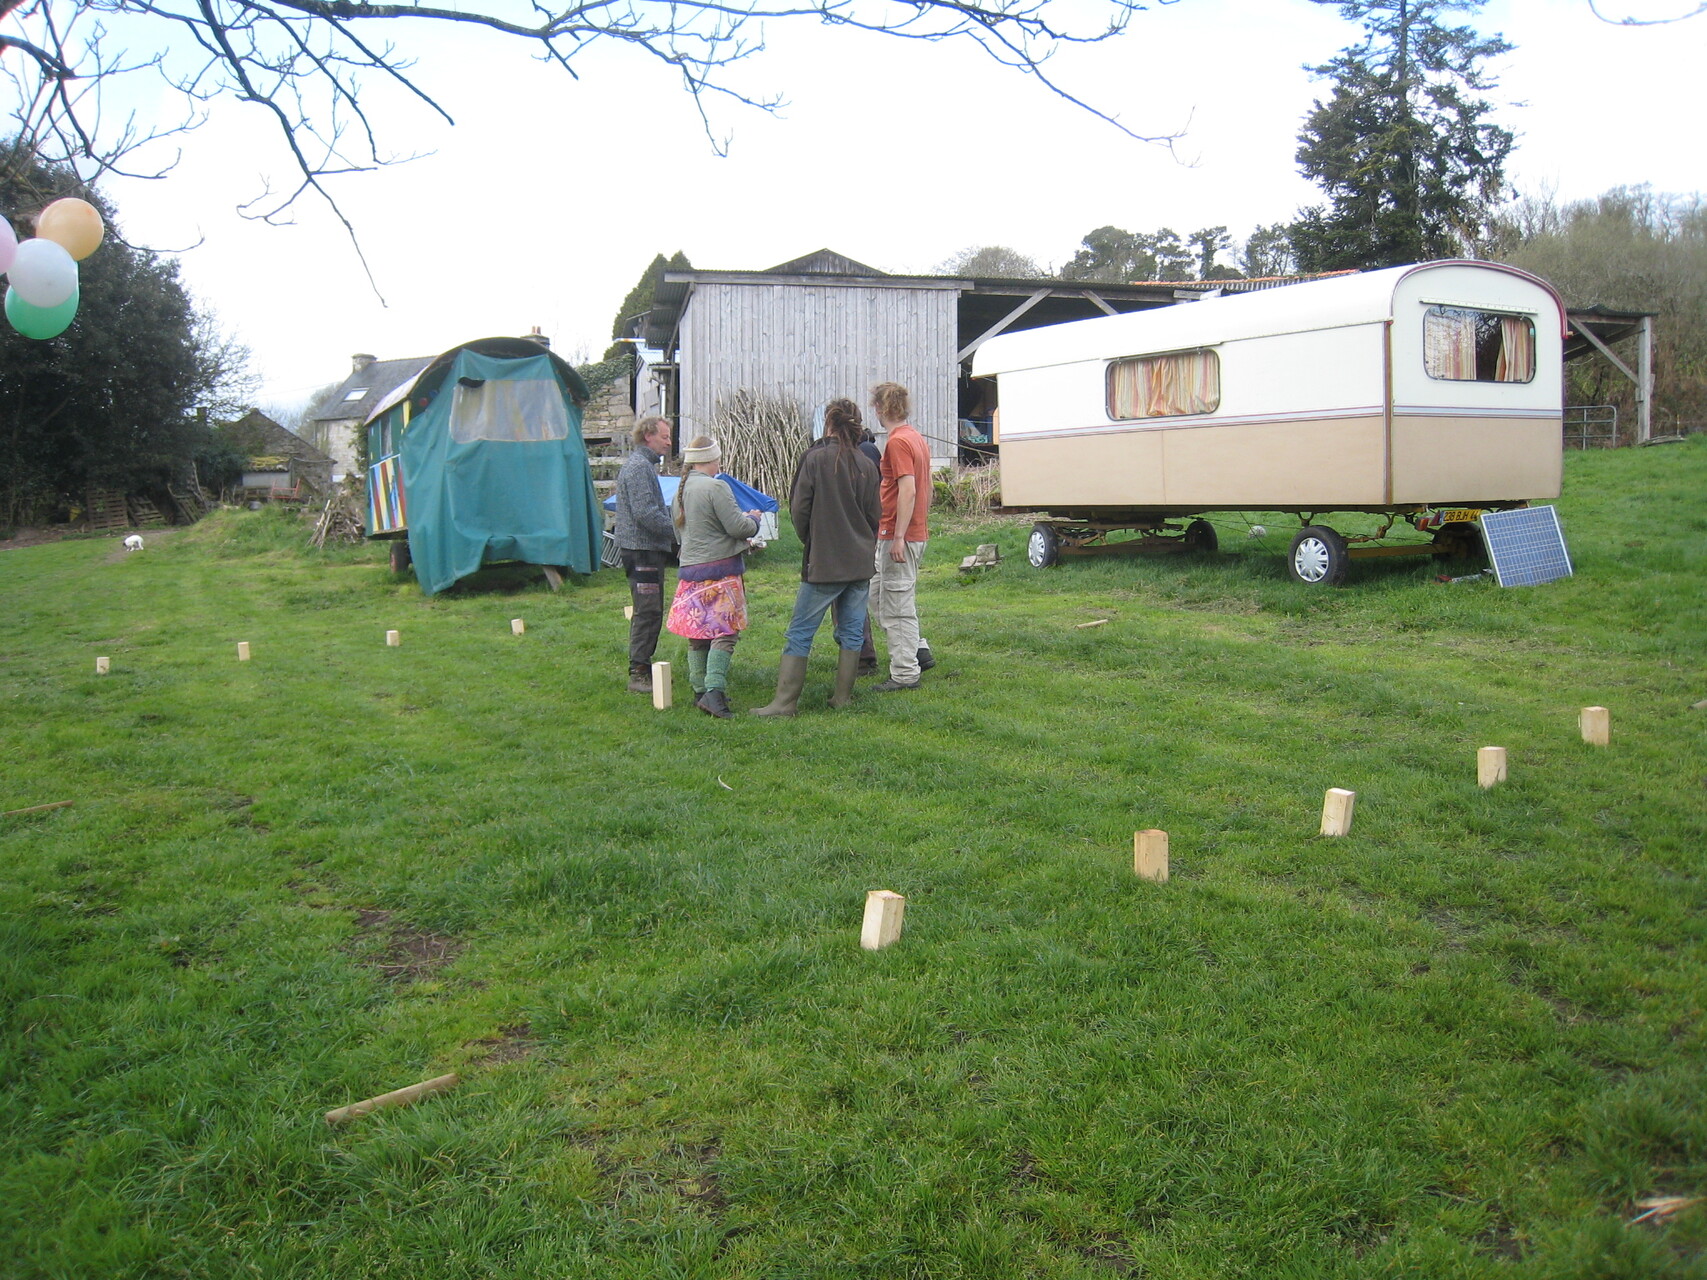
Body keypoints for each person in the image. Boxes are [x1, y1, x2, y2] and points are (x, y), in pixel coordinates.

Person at [752, 398, 880, 717]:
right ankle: (842, 698)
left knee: (800, 632)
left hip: (825, 563)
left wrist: (811, 541)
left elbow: (799, 510)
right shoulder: (866, 463)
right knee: (852, 632)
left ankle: (785, 703)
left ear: (828, 423)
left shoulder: (814, 458)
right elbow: (875, 516)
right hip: (860, 562)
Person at [666, 436, 761, 718]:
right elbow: (738, 528)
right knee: (725, 632)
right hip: (721, 574)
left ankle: (700, 691)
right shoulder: (716, 486)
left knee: (698, 633)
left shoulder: (680, 491)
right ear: (713, 459)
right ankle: (715, 692)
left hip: (690, 571)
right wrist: (754, 519)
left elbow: (679, 534)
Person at [866, 381, 934, 691]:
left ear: (880, 408)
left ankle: (905, 674)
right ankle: (917, 649)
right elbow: (926, 488)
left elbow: (909, 490)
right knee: (879, 595)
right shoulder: (915, 437)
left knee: (897, 607)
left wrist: (899, 536)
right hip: (903, 532)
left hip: (899, 535)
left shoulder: (898, 442)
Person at [614, 416, 675, 694]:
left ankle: (643, 667)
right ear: (648, 436)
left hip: (644, 550)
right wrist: (678, 532)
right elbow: (646, 513)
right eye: (665, 436)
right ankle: (638, 673)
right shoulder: (639, 467)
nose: (669, 442)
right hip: (642, 553)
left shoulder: (643, 465)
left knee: (650, 610)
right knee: (648, 611)